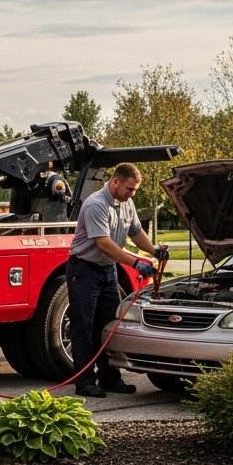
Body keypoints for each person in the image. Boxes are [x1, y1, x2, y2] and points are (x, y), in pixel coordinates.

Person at [65, 162, 161, 398]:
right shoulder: (96, 204)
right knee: (84, 327)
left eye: (135, 190)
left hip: (107, 271)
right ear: (116, 181)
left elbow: (136, 232)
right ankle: (85, 381)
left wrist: (154, 250)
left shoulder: (127, 203)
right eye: (130, 189)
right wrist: (135, 262)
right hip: (84, 270)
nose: (133, 194)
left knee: (107, 326)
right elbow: (104, 243)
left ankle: (110, 378)